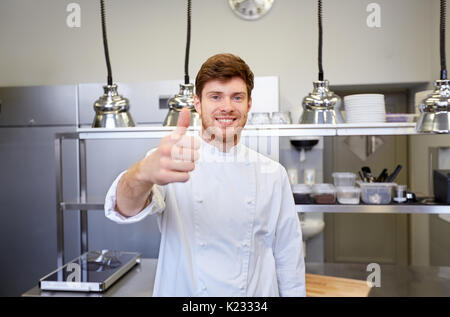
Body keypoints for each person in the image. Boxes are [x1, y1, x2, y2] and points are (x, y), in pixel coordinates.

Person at [104, 53, 306, 297]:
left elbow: (288, 257)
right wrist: (141, 175)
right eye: (215, 97)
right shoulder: (171, 162)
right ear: (198, 103)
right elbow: (124, 209)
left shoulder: (273, 174)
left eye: (237, 97)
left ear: (249, 104)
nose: (227, 107)